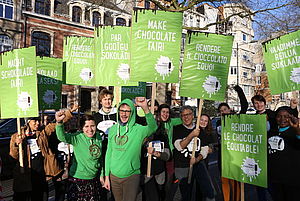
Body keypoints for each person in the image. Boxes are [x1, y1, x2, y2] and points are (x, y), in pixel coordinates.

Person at [9, 110, 72, 201]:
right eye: (35, 121)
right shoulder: (17, 136)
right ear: (28, 122)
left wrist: (69, 112)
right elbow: (13, 156)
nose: (38, 123)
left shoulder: (42, 132)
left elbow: (55, 125)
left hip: (41, 173)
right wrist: (16, 144)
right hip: (26, 174)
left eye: (38, 120)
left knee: (41, 196)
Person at [103, 97, 157, 201]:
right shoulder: (113, 129)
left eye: (127, 111)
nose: (124, 114)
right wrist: (106, 176)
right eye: (122, 110)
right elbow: (109, 153)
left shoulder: (139, 129)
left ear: (132, 112)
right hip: (114, 176)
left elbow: (153, 127)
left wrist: (145, 108)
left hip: (131, 176)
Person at [55, 112, 104, 201]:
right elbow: (62, 137)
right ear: (82, 128)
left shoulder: (98, 138)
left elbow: (99, 159)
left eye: (92, 126)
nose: (90, 129)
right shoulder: (77, 138)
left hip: (94, 180)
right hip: (78, 180)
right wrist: (59, 123)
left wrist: (102, 175)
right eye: (86, 126)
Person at [173, 106, 210, 201]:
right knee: (182, 194)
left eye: (188, 114)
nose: (186, 117)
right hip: (182, 166)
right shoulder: (177, 129)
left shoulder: (200, 130)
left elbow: (205, 149)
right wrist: (192, 135)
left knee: (201, 192)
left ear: (193, 115)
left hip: (197, 165)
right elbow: (179, 146)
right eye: (183, 115)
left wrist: (198, 159)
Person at [217, 85, 248, 201]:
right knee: (224, 180)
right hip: (224, 156)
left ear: (229, 110)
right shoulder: (219, 122)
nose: (223, 112)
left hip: (236, 155)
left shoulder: (237, 118)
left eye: (225, 110)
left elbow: (244, 106)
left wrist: (239, 90)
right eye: (221, 111)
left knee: (236, 182)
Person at [268, 106, 300, 201]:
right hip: (275, 179)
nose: (282, 119)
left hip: (292, 180)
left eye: (286, 116)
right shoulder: (271, 132)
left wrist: (297, 130)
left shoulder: (294, 132)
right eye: (279, 116)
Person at [93, 88, 117, 201]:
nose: (107, 102)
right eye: (105, 99)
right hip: (101, 152)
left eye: (109, 99)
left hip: (115, 152)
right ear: (100, 101)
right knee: (101, 185)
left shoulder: (117, 115)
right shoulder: (96, 117)